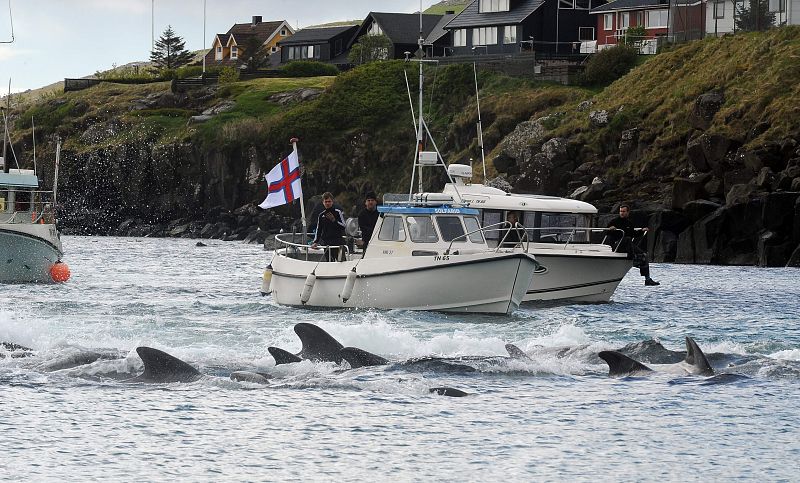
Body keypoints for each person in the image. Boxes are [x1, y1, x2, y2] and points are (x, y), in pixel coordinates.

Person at [607, 204, 660, 286]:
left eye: (624, 211)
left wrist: (642, 230)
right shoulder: (614, 221)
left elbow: (633, 234)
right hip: (617, 245)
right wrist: (610, 229)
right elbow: (606, 232)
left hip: (628, 246)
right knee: (627, 239)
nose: (622, 213)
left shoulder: (629, 223)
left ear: (628, 212)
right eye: (621, 211)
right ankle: (632, 259)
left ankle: (647, 279)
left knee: (644, 255)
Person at [311, 192, 346, 261]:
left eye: (329, 201)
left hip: (338, 242)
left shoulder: (337, 212)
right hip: (327, 243)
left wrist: (334, 220)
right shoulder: (321, 215)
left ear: (332, 202)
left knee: (342, 261)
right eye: (326, 201)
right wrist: (316, 241)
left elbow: (343, 226)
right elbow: (319, 229)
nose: (327, 203)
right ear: (323, 202)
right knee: (329, 261)